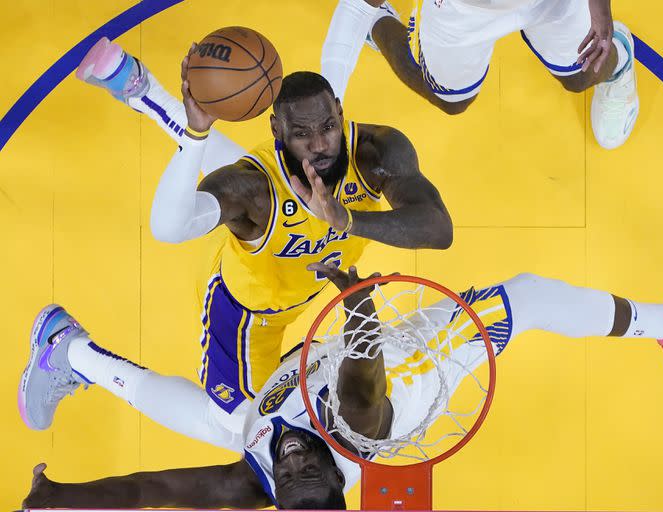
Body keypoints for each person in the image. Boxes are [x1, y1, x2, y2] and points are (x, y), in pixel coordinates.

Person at [21, 257, 663, 509]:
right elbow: (365, 369)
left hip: (325, 355)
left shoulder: (258, 483)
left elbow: (153, 492)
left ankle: (70, 350)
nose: (293, 460)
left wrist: (59, 499)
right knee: (525, 296)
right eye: (312, 473)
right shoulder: (363, 429)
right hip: (421, 355)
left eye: (287, 477)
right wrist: (357, 291)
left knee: (227, 423)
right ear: (339, 483)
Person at [16, 41, 452, 445]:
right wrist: (196, 132)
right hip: (246, 315)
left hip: (302, 291)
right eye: (302, 133)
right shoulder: (251, 188)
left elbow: (438, 229)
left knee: (268, 182)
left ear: (340, 111)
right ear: (277, 129)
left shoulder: (375, 151)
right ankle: (72, 351)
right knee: (241, 432)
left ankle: (135, 84)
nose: (321, 144)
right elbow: (170, 228)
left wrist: (346, 218)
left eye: (329, 126)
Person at [321, 0, 639, 149]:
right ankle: (380, 22)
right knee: (452, 101)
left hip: (552, 2)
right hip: (461, 12)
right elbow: (355, 6)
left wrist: (600, 7)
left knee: (581, 77)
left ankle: (620, 60)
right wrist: (325, 114)